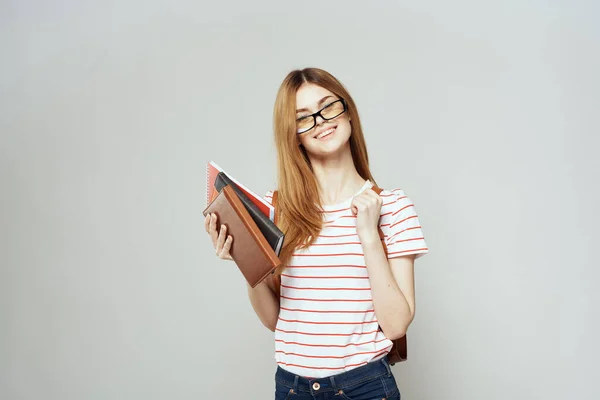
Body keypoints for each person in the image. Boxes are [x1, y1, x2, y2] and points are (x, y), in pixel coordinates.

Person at [204, 67, 428, 400]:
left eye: (328, 107)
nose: (321, 121)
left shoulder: (392, 207)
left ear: (347, 110)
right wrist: (245, 260)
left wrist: (368, 233)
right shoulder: (276, 211)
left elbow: (395, 325)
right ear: (293, 134)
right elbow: (274, 320)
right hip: (292, 388)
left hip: (364, 387)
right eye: (304, 117)